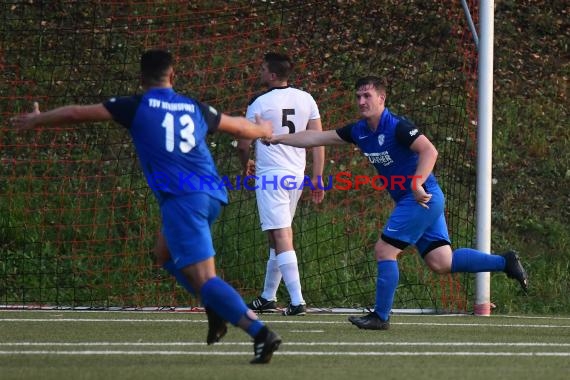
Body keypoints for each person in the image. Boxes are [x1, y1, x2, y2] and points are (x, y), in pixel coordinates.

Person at [11, 49, 282, 363]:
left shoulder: (135, 105)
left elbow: (75, 113)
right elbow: (238, 126)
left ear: (141, 79)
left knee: (206, 278)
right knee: (163, 253)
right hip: (211, 194)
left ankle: (260, 332)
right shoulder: (193, 106)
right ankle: (215, 305)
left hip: (184, 199)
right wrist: (263, 130)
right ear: (173, 76)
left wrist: (37, 120)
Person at [267, 75, 529, 329]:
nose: (361, 101)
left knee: (385, 250)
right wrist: (279, 139)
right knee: (441, 262)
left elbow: (429, 150)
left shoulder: (397, 126)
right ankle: (504, 262)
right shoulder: (359, 131)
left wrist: (416, 182)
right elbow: (316, 137)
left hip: (420, 198)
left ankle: (380, 317)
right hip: (421, 199)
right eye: (358, 96)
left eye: (367, 95)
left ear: (382, 98)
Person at [237, 52, 325, 316]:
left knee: (281, 235)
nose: (260, 72)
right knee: (276, 235)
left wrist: (244, 164)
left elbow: (243, 143)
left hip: (271, 176)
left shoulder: (259, 103)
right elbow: (318, 140)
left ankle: (297, 301)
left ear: (273, 75)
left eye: (263, 68)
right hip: (295, 176)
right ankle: (268, 297)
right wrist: (317, 177)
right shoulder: (306, 98)